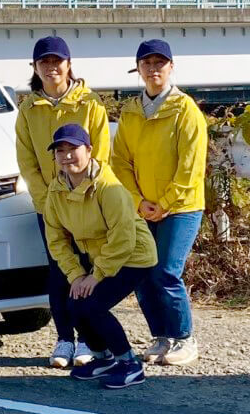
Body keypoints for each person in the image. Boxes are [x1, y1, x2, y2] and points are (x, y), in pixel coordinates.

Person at [15, 36, 111, 368]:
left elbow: (102, 154)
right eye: (44, 62)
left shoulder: (91, 103)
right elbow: (27, 160)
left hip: (87, 203)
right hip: (50, 207)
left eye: (57, 61)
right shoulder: (28, 109)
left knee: (87, 268)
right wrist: (48, 202)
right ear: (35, 68)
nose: (51, 67)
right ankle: (63, 340)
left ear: (69, 64)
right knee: (58, 270)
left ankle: (87, 338)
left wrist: (88, 195)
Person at [111, 39, 207, 366]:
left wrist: (163, 203)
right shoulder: (130, 112)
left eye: (159, 63)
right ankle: (162, 337)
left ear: (171, 67)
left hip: (181, 207)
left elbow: (191, 168)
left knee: (166, 271)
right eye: (147, 63)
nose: (154, 69)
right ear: (138, 69)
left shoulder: (186, 110)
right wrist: (139, 202)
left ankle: (185, 338)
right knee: (142, 273)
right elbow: (120, 162)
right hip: (143, 207)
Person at [43, 124, 158, 389]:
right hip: (99, 258)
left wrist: (96, 276)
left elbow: (123, 239)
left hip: (133, 255)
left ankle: (130, 364)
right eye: (60, 150)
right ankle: (103, 357)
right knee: (75, 303)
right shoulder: (56, 189)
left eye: (73, 149)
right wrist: (76, 275)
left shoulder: (109, 188)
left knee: (92, 304)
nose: (66, 155)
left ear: (89, 151)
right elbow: (56, 239)